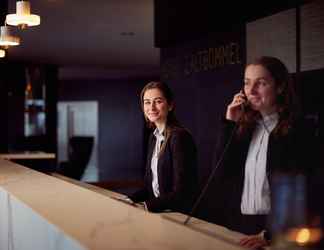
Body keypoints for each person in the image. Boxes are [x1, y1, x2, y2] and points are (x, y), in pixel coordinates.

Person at [213, 56, 319, 249]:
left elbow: (308, 190)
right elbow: (221, 174)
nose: (251, 91)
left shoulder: (299, 130)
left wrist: (270, 234)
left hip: (275, 230)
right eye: (247, 83)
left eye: (260, 83)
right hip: (241, 225)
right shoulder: (245, 129)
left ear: (279, 87)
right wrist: (229, 124)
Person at [128, 81, 198, 213]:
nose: (151, 107)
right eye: (147, 102)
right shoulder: (154, 138)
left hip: (178, 216)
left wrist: (146, 206)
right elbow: (151, 187)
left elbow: (181, 192)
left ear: (170, 105)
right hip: (161, 213)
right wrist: (129, 200)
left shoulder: (179, 137)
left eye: (158, 101)